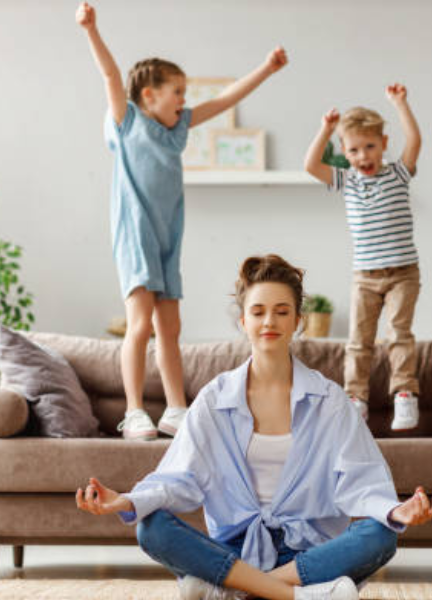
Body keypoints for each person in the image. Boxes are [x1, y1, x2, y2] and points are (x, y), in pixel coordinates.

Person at [76, 254, 432, 600]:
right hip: (233, 551)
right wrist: (127, 501)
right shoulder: (215, 399)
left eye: (282, 312)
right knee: (151, 527)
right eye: (258, 312)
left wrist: (395, 512)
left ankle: (231, 590)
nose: (269, 322)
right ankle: (300, 596)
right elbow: (178, 478)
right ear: (243, 321)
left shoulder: (329, 400)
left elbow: (360, 479)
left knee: (381, 534)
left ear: (298, 321)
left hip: (307, 556)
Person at [76, 3, 288, 441]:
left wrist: (266, 69)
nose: (184, 99)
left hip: (168, 237)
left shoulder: (178, 129)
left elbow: (226, 99)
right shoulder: (128, 121)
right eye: (177, 91)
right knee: (139, 325)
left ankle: (176, 408)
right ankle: (134, 411)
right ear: (149, 94)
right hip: (135, 235)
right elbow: (112, 78)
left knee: (170, 328)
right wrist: (92, 30)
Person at [304, 84, 422, 431]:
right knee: (359, 340)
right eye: (354, 150)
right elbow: (311, 165)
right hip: (364, 277)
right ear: (344, 151)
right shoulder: (347, 181)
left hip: (403, 273)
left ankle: (404, 394)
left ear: (384, 144)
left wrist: (400, 104)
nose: (363, 156)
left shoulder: (398, 174)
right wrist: (326, 128)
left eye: (370, 147)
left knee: (399, 333)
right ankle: (356, 399)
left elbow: (415, 140)